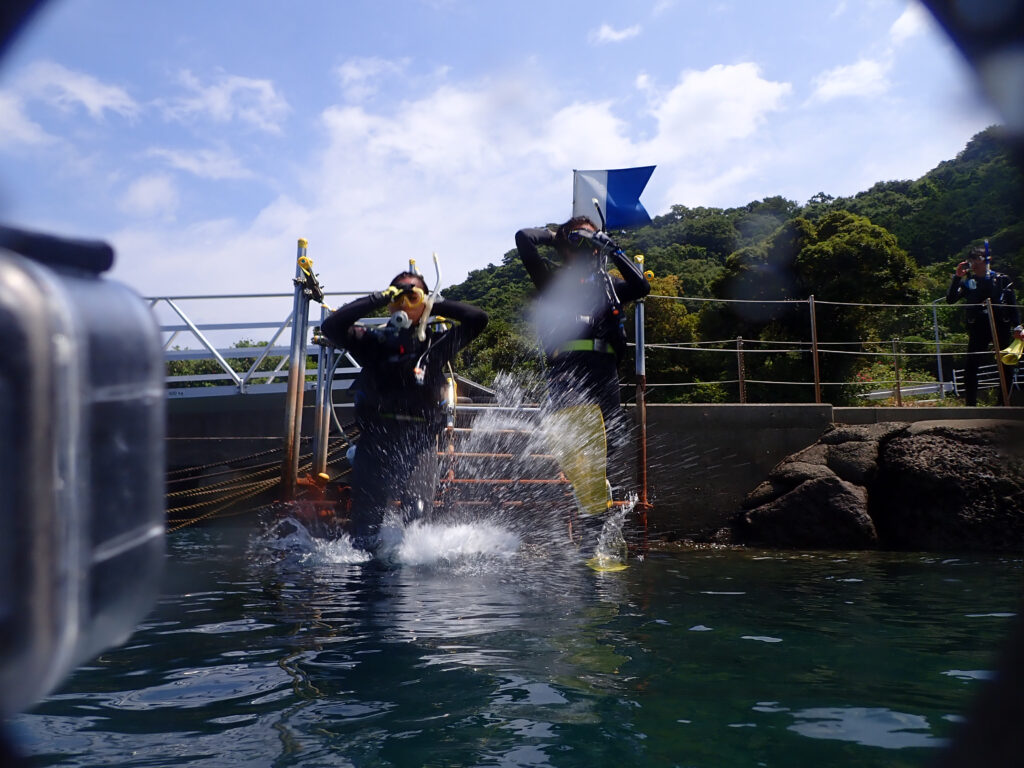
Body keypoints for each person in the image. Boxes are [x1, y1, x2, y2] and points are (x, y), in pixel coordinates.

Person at [321, 271, 487, 545]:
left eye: (413, 297)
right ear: (389, 304)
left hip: (419, 442)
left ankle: (414, 568)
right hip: (375, 439)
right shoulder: (373, 343)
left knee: (418, 521)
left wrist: (433, 302)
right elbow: (332, 327)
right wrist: (378, 297)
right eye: (398, 297)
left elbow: (478, 319)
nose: (405, 304)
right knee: (365, 527)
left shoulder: (436, 346)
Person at [515, 216, 650, 492]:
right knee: (575, 424)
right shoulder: (553, 283)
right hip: (567, 367)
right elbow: (523, 238)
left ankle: (595, 492)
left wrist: (614, 249)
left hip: (604, 368)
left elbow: (641, 288)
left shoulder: (609, 285)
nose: (586, 247)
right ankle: (578, 481)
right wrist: (558, 236)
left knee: (611, 436)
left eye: (591, 241)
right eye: (578, 241)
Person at [945, 243, 1023, 406]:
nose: (974, 263)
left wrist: (1018, 326)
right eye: (971, 260)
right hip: (978, 327)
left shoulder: (1001, 279)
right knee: (971, 366)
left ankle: (1003, 403)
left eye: (977, 259)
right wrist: (957, 277)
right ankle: (971, 405)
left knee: (1005, 364)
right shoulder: (969, 282)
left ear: (987, 260)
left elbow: (1012, 304)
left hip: (1001, 325)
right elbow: (951, 299)